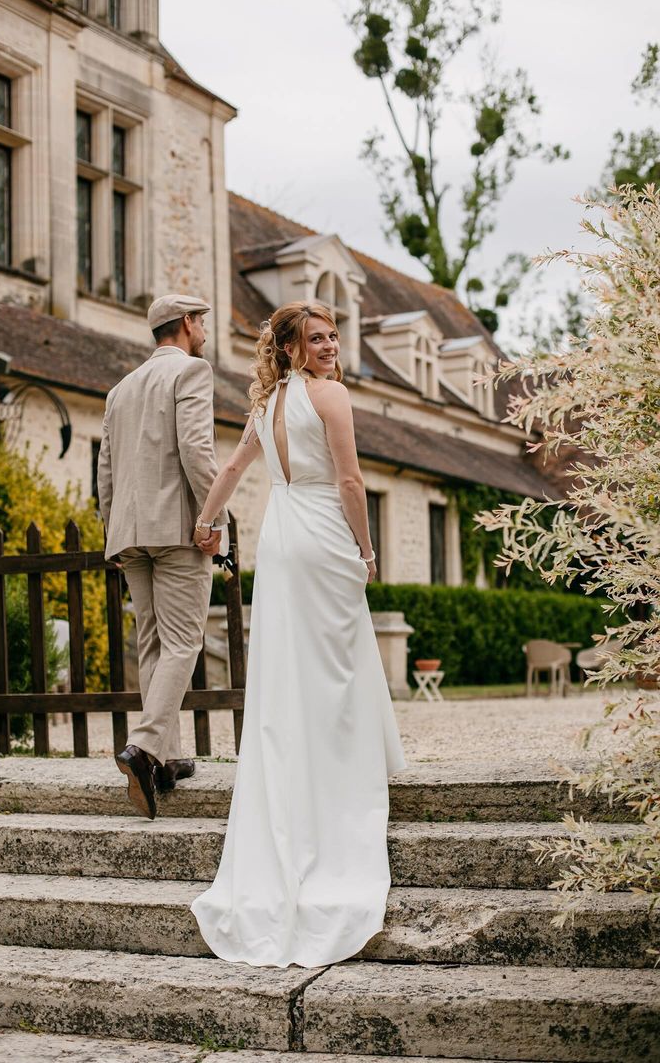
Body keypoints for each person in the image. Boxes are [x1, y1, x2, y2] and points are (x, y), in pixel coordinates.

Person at [189, 300, 406, 968]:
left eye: (333, 336)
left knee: (288, 666)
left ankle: (300, 768)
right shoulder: (329, 396)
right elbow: (350, 479)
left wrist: (207, 521)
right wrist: (366, 550)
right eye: (315, 338)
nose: (330, 346)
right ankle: (344, 767)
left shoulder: (266, 405)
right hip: (318, 532)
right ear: (289, 349)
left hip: (279, 540)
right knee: (336, 662)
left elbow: (230, 473)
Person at [97, 294, 228, 821]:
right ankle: (145, 746)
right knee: (183, 641)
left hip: (129, 533)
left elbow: (105, 469)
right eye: (202, 323)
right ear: (189, 324)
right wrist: (213, 520)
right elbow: (198, 450)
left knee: (152, 642)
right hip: (177, 529)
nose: (204, 332)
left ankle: (169, 759)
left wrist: (113, 530)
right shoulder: (192, 372)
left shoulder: (120, 389)